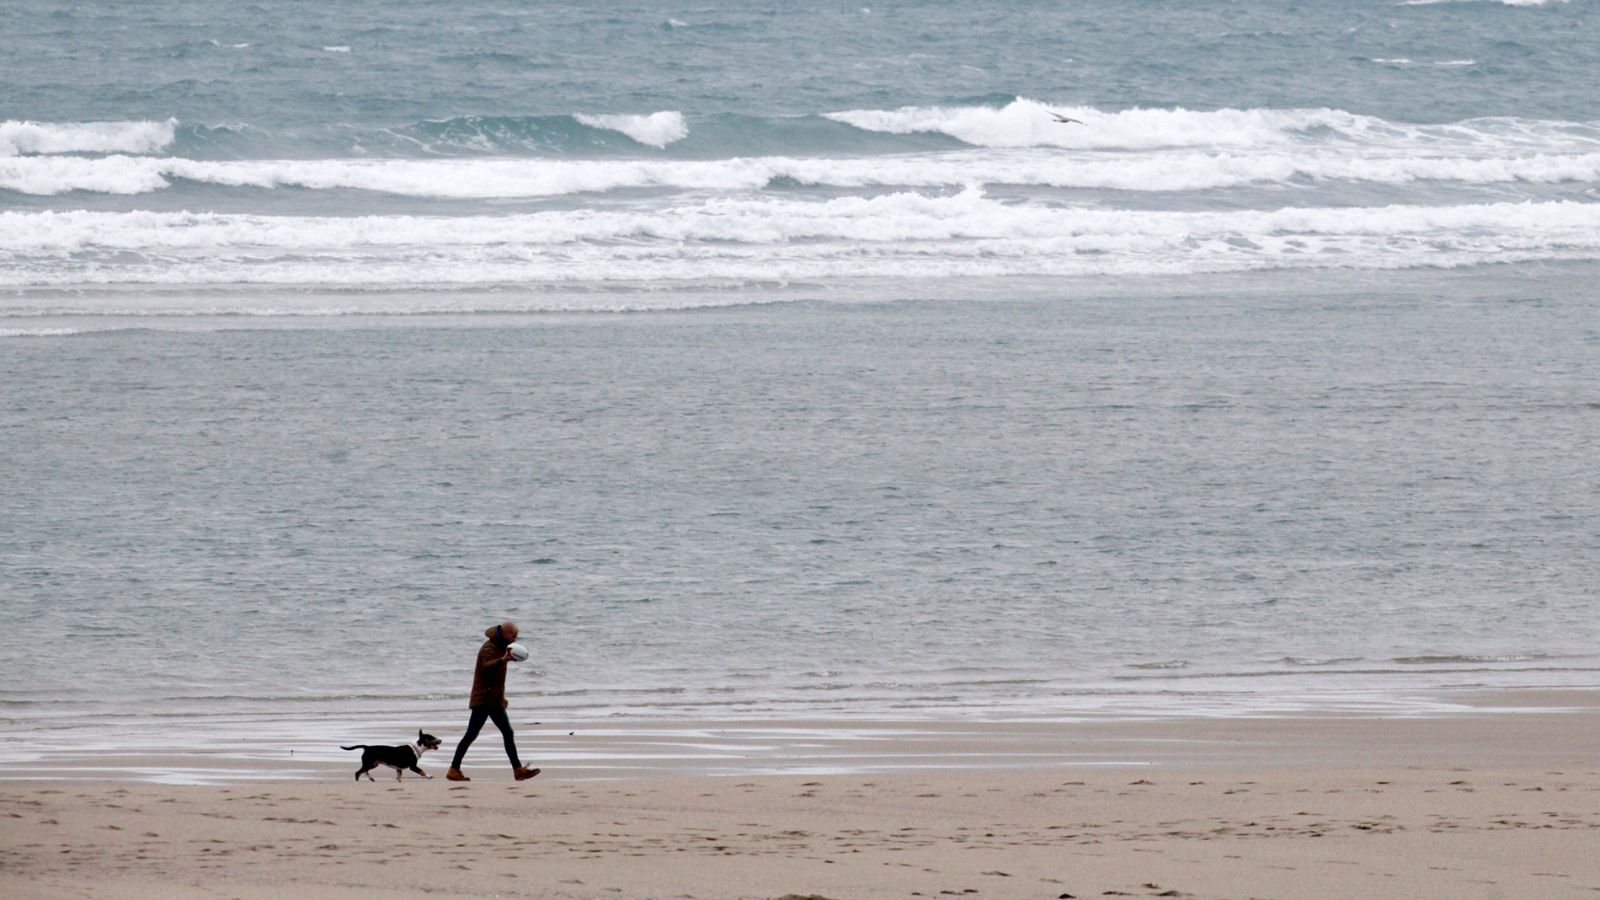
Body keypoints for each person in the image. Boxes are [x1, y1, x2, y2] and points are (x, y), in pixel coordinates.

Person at [446, 621, 540, 782]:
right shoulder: (489, 648)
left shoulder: (504, 648)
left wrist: (501, 697)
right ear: (504, 633)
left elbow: (496, 678)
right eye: (513, 635)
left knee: (503, 733)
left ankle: (518, 770)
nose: (516, 639)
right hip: (483, 699)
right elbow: (486, 667)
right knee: (472, 735)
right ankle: (454, 769)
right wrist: (503, 660)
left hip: (493, 699)